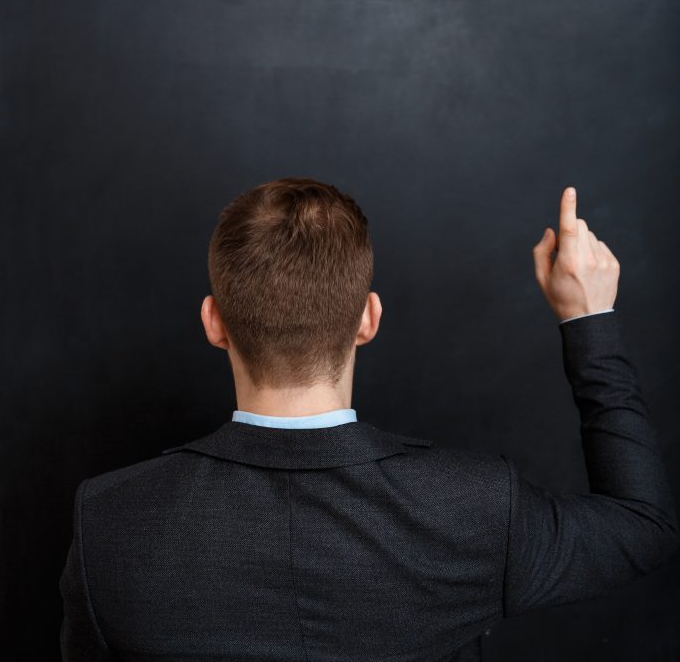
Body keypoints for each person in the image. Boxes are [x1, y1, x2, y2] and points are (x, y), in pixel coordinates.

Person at [59, 179, 679, 661]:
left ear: (213, 321)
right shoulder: (476, 508)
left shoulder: (109, 521)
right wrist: (589, 322)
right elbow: (642, 524)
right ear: (369, 319)